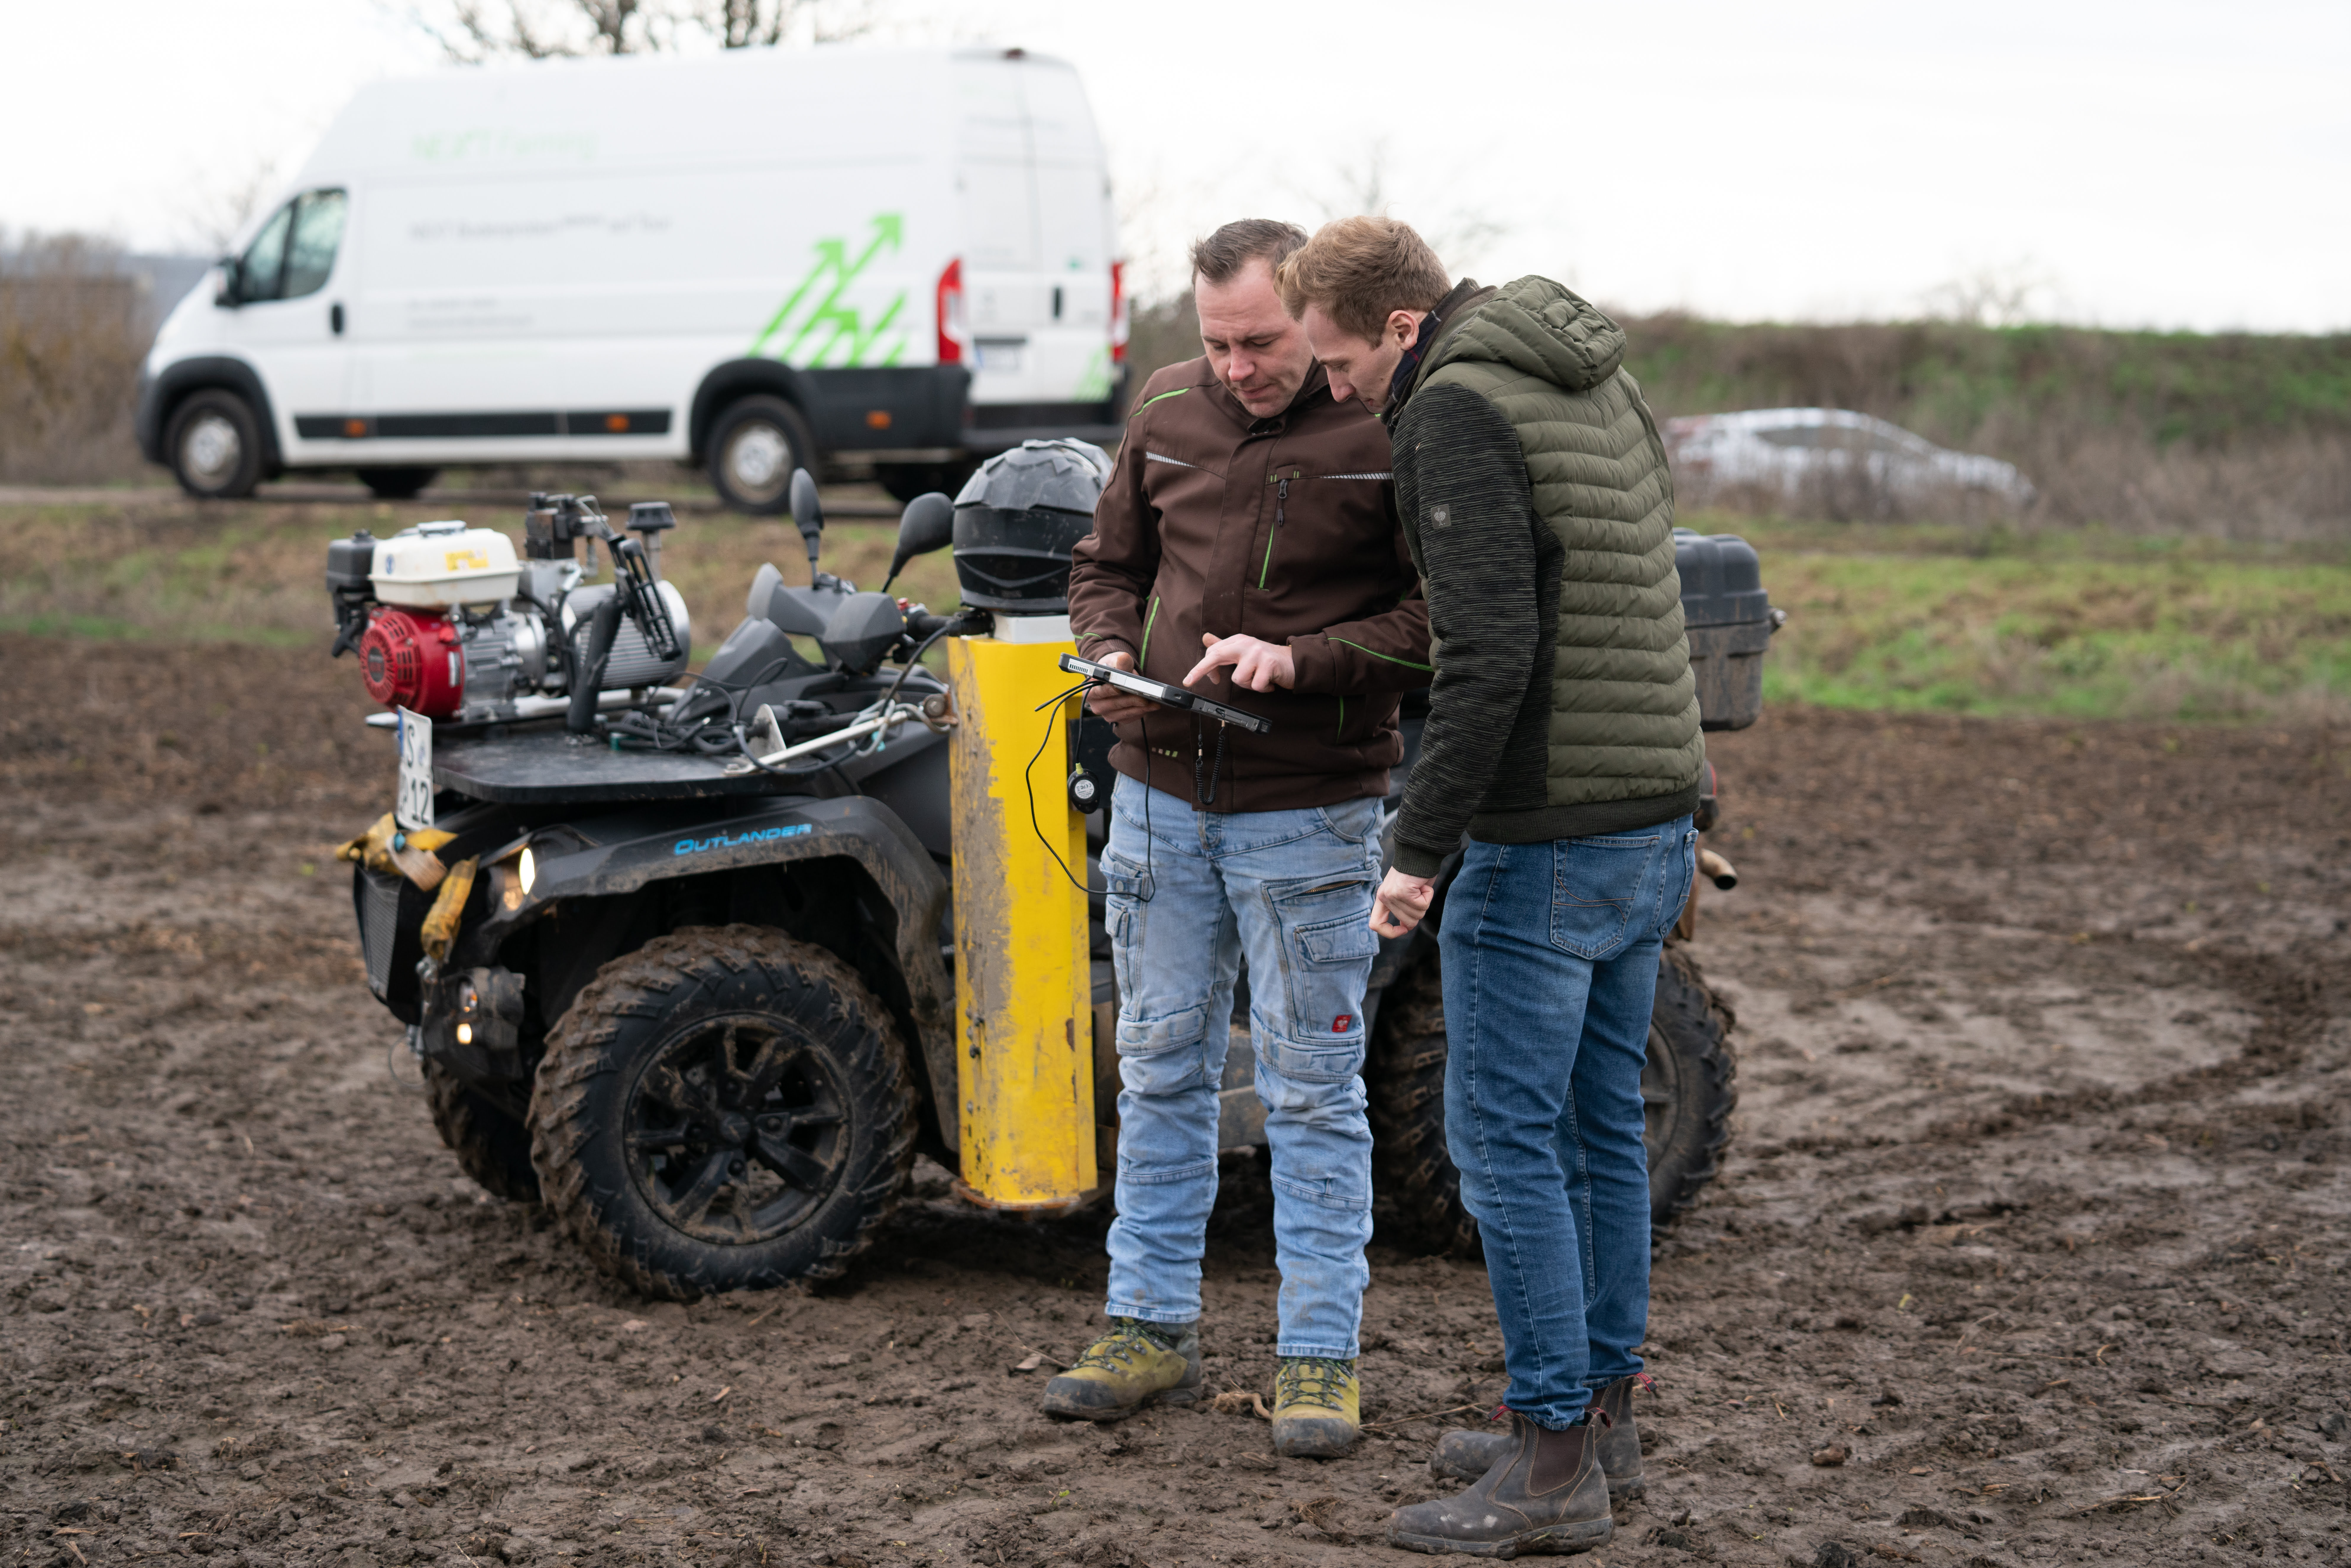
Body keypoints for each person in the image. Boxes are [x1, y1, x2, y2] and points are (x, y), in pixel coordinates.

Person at [1277, 217, 1701, 1555]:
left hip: (1547, 834)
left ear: (1398, 327)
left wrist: (1417, 851)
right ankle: (1599, 1422)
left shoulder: (1450, 407)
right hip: (1648, 812)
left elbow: (1488, 651)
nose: (1333, 388)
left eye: (1338, 362)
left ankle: (1545, 1469)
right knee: (1597, 1131)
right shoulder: (1589, 374)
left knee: (1502, 1147)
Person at [1042, 218, 1431, 1459]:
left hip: (1309, 807)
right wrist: (1108, 655)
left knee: (1311, 1090)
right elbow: (1103, 566)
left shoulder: (1385, 418)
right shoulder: (1164, 406)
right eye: (1215, 344)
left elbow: (1435, 614)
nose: (1238, 369)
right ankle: (1145, 1327)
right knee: (1155, 1068)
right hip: (1157, 798)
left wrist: (1302, 661)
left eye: (1260, 342)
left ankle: (1319, 1357)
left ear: (1305, 317)